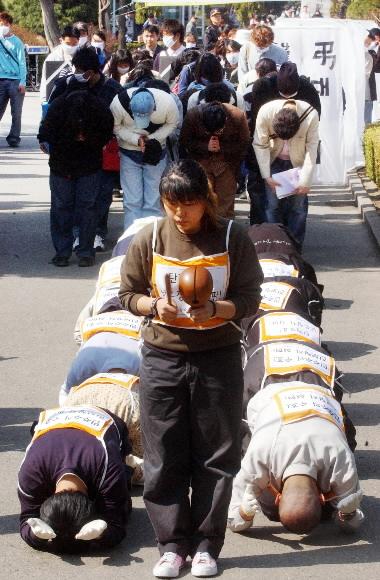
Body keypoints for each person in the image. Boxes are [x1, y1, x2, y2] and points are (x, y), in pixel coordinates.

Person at [118, 159, 263, 578]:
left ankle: (206, 544)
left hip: (217, 357)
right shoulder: (151, 238)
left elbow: (252, 296)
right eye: (170, 204)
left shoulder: (233, 237)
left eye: (189, 204)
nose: (180, 214)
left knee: (216, 454)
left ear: (207, 200)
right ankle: (171, 544)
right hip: (162, 357)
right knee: (163, 453)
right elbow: (126, 293)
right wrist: (151, 305)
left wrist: (220, 308)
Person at [228, 382, 364, 534]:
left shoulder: (340, 457)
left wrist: (244, 513)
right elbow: (232, 520)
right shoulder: (260, 455)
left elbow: (233, 520)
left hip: (317, 395)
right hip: (276, 397)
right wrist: (348, 513)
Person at [18, 405, 132, 553]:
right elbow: (26, 519)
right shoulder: (31, 475)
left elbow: (117, 524)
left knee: (123, 496)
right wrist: (35, 535)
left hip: (106, 419)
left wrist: (103, 533)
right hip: (61, 417)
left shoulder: (109, 470)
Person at [47, 47, 123, 252]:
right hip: (65, 155)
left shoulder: (113, 89)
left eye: (83, 71)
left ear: (93, 71)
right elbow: (49, 116)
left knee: (100, 197)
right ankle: (71, 238)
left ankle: (96, 234)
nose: (79, 75)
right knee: (65, 201)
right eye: (76, 70)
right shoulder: (63, 86)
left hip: (102, 152)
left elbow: (121, 121)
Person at [38, 90, 114, 267]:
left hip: (87, 165)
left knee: (82, 207)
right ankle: (67, 252)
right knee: (67, 207)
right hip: (63, 165)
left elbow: (107, 133)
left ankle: (82, 251)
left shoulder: (98, 109)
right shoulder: (59, 108)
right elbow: (46, 133)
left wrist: (88, 140)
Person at [110, 86, 179, 229]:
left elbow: (172, 124)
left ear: (153, 109)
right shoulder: (118, 103)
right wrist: (135, 139)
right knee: (132, 200)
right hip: (128, 152)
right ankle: (132, 240)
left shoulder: (168, 103)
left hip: (156, 153)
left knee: (153, 199)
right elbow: (115, 127)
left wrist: (152, 139)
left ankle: (153, 238)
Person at [253, 98, 319, 247]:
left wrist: (305, 181)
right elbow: (260, 144)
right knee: (272, 205)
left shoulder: (310, 115)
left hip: (298, 163)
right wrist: (267, 176)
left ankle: (295, 247)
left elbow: (312, 148)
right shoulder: (265, 111)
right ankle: (276, 245)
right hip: (274, 161)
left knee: (298, 206)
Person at [180, 102, 250, 218]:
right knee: (202, 200)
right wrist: (205, 146)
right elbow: (184, 141)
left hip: (227, 164)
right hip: (201, 163)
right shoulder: (193, 115)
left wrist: (222, 148)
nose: (214, 135)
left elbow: (244, 143)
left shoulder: (237, 116)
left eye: (218, 132)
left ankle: (225, 231)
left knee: (225, 204)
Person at [0, 11, 26, 147]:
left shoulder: (17, 42)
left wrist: (23, 81)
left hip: (15, 81)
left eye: (4, 24)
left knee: (16, 112)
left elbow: (22, 63)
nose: (2, 27)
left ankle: (14, 137)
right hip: (0, 80)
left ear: (9, 25)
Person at [40, 25, 80, 103]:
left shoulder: (84, 55)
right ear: (61, 40)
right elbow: (46, 81)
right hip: (57, 100)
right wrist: (44, 100)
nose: (71, 47)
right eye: (68, 43)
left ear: (78, 41)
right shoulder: (53, 57)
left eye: (74, 44)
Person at [364, 28, 380, 125]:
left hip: (366, 88)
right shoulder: (368, 53)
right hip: (366, 88)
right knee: (366, 120)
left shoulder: (367, 50)